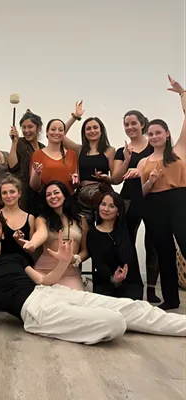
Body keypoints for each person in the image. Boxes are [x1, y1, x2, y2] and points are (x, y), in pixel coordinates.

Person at [0, 213, 186, 345]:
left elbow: (44, 281)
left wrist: (63, 262)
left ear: (2, 235)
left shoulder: (16, 258)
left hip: (51, 292)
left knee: (133, 307)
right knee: (115, 322)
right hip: (34, 310)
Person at [134, 75, 186, 310]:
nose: (154, 136)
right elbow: (142, 193)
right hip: (154, 205)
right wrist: (150, 181)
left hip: (179, 201)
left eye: (158, 132)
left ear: (167, 133)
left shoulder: (179, 151)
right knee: (164, 253)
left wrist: (182, 94)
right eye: (151, 133)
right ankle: (171, 300)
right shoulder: (143, 162)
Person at [114, 110, 160, 303]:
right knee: (127, 243)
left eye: (134, 123)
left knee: (153, 245)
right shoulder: (121, 151)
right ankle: (131, 284)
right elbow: (116, 179)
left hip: (153, 200)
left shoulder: (154, 147)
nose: (130, 127)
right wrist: (126, 160)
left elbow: (164, 169)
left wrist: (141, 171)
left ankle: (151, 289)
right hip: (128, 201)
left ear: (142, 124)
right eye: (126, 124)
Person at [20, 181, 88, 291]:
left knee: (73, 299)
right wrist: (33, 243)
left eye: (56, 192)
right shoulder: (42, 219)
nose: (53, 196)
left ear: (64, 195)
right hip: (45, 271)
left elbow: (85, 250)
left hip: (70, 273)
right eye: (48, 195)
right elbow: (41, 233)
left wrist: (76, 259)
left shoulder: (81, 220)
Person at [63, 107, 116, 224]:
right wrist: (75, 117)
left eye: (95, 127)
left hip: (102, 194)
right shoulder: (79, 149)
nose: (92, 131)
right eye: (88, 128)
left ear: (101, 131)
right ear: (84, 133)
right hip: (83, 197)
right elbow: (61, 134)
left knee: (103, 226)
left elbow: (114, 178)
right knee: (83, 227)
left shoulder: (110, 150)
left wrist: (104, 177)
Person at [87, 192, 143, 300]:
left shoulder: (125, 230)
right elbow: (99, 262)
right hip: (105, 281)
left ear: (118, 212)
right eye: (103, 204)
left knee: (131, 306)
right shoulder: (93, 232)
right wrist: (113, 279)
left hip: (129, 282)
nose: (106, 209)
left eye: (111, 206)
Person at [0, 159, 34, 263]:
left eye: (12, 192)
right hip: (1, 264)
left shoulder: (30, 218)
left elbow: (32, 251)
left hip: (24, 265)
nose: (8, 196)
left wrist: (21, 242)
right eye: (4, 193)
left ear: (19, 193)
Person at [8, 109, 45, 213]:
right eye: (23, 127)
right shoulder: (19, 142)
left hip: (40, 192)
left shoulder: (43, 148)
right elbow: (12, 166)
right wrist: (14, 142)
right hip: (24, 192)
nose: (26, 130)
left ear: (39, 128)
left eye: (30, 127)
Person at [30, 118, 78, 196]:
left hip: (68, 199)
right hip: (45, 199)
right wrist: (37, 174)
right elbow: (34, 186)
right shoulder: (37, 155)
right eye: (53, 129)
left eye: (60, 130)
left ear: (64, 134)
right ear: (47, 132)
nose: (57, 132)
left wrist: (75, 181)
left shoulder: (72, 154)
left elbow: (75, 185)